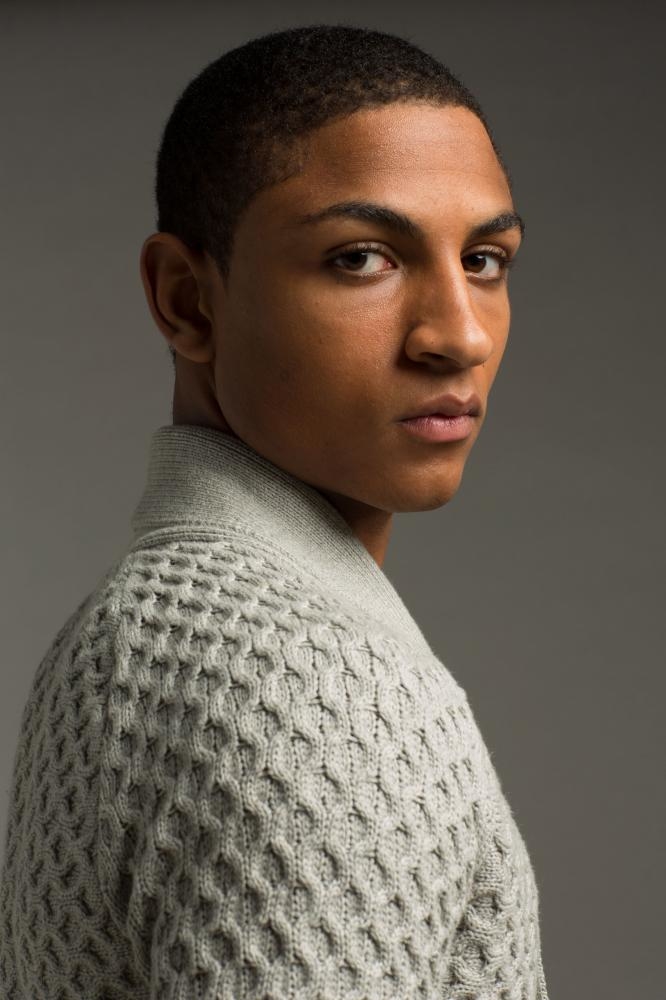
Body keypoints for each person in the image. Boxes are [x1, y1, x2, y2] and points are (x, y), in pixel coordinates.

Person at [0, 24, 550, 1000]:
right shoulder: (311, 687)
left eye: (484, 259)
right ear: (188, 301)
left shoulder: (128, 633)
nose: (459, 334)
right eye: (362, 258)